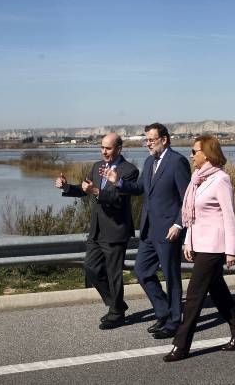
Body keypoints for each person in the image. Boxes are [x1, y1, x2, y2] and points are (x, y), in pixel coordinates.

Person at [163, 134, 235, 362]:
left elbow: (229, 216)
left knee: (194, 295)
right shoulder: (197, 179)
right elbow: (191, 215)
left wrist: (231, 250)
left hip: (214, 246)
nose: (190, 156)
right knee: (218, 291)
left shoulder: (221, 179)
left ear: (206, 154)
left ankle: (181, 345)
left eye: (194, 152)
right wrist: (188, 241)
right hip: (199, 243)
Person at [102, 123, 190, 339]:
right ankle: (163, 312)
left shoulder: (177, 161)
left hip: (169, 230)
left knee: (171, 276)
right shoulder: (150, 161)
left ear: (164, 139)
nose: (148, 144)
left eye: (151, 139)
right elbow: (140, 188)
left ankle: (174, 322)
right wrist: (118, 182)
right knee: (142, 271)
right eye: (146, 140)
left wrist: (178, 224)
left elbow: (187, 199)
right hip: (149, 230)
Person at [54, 132, 139, 330]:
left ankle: (116, 314)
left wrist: (96, 192)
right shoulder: (97, 166)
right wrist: (67, 187)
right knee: (91, 268)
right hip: (96, 230)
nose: (104, 152)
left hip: (116, 230)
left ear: (119, 149)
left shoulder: (129, 170)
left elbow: (118, 199)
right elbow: (86, 189)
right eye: (102, 147)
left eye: (108, 148)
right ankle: (117, 305)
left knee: (113, 273)